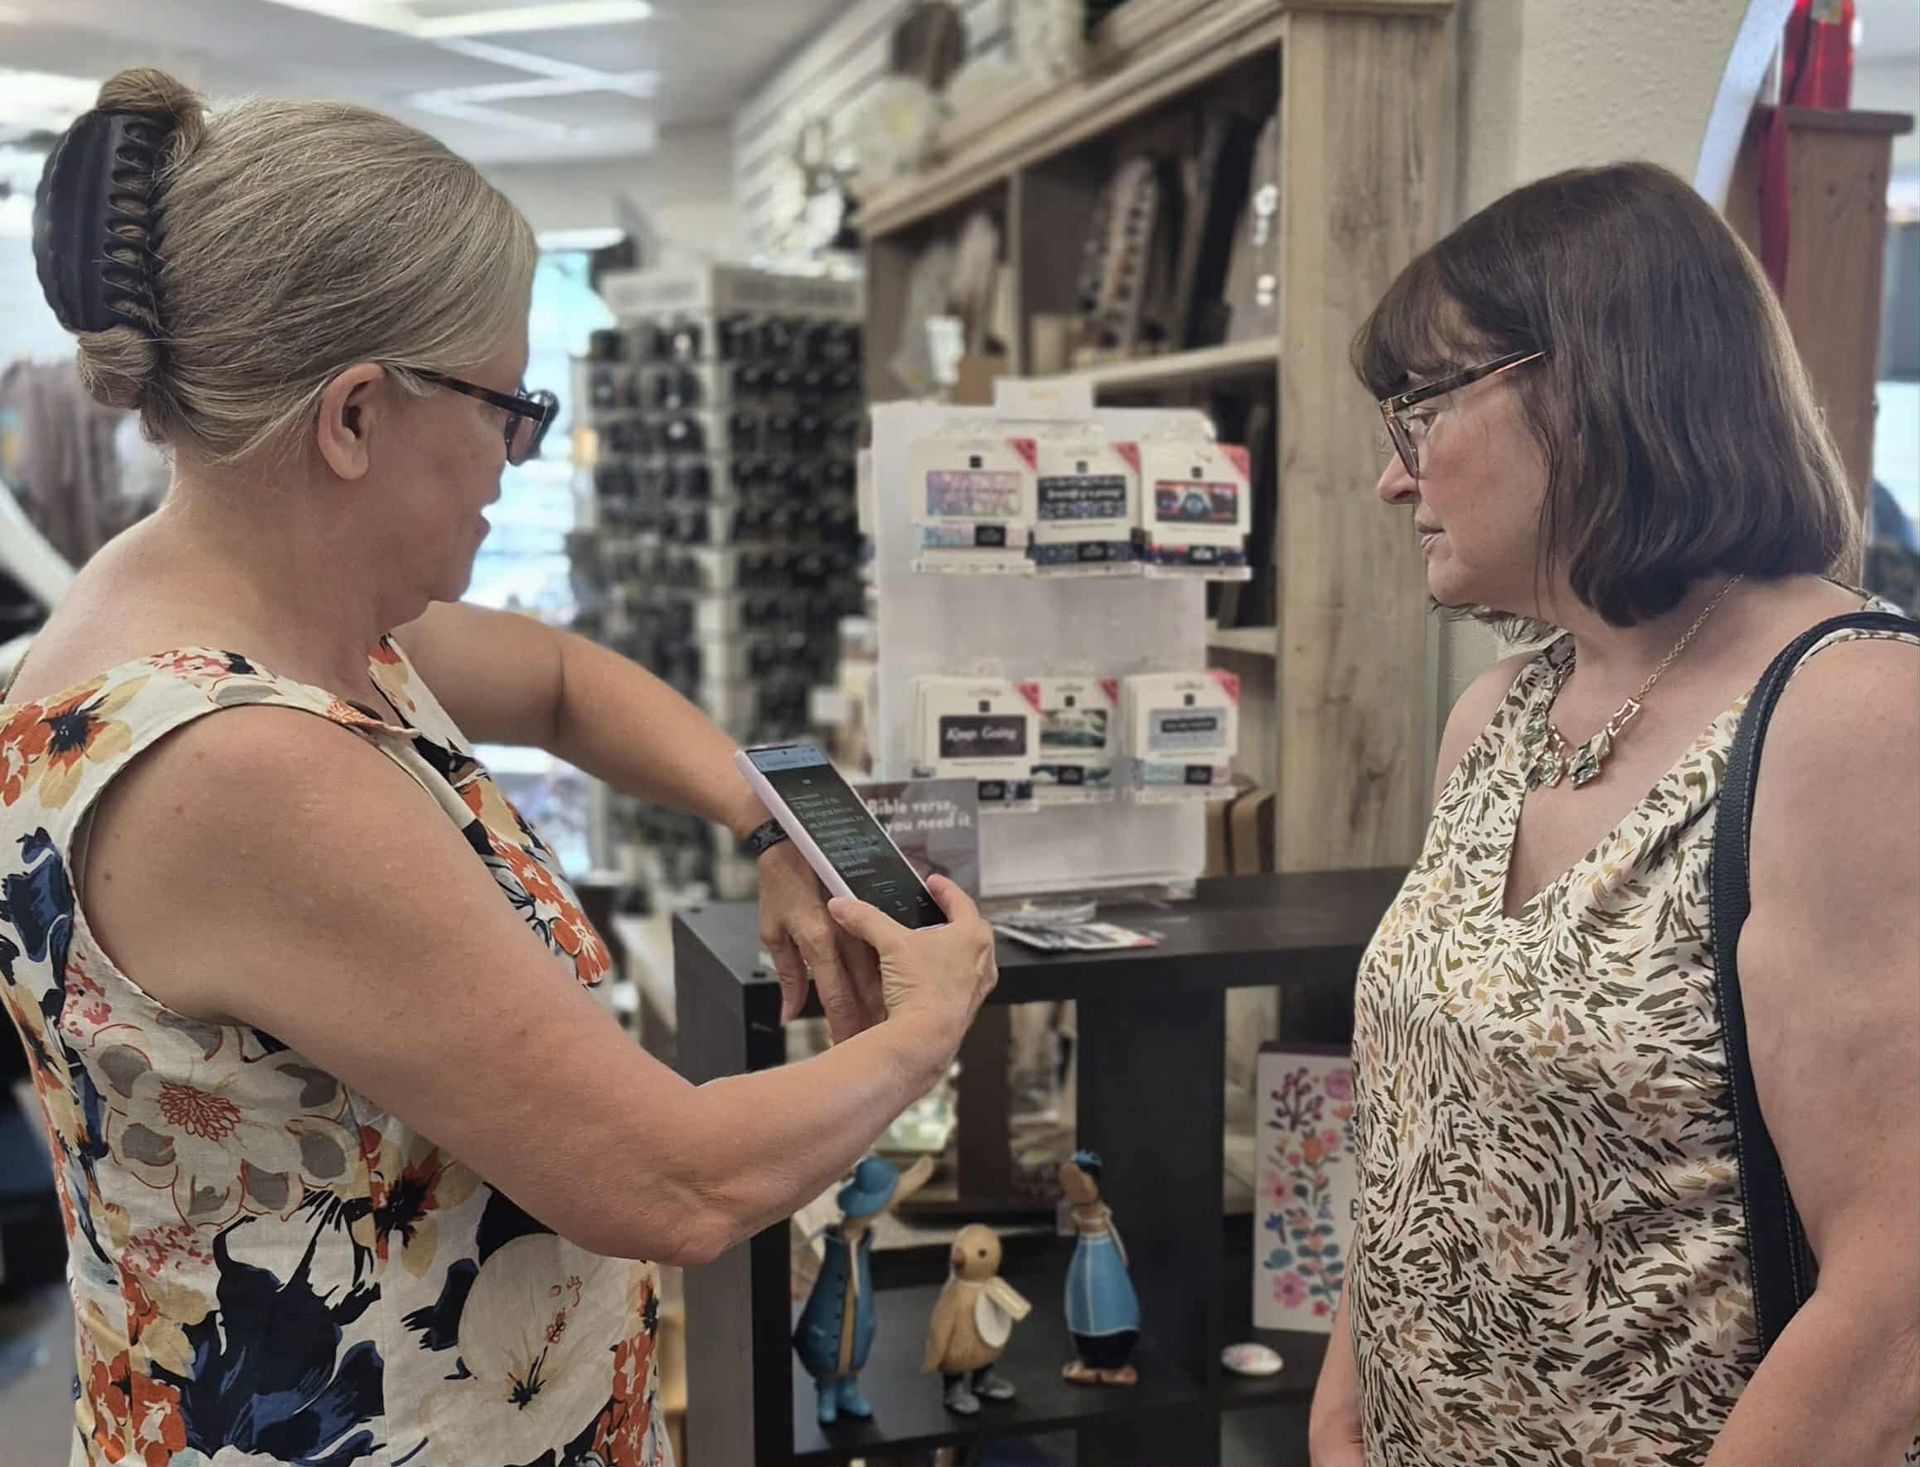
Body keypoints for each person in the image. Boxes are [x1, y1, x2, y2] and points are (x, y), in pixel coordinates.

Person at [0, 69, 995, 1466]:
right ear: (353, 418)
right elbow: (673, 1180)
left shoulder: (240, 614)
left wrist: (768, 824)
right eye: (506, 408)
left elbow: (560, 677)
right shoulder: (242, 766)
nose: (516, 463)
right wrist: (926, 1025)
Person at [1305, 160, 1920, 1466]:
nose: (1393, 481)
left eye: (1419, 413)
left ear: (1590, 381)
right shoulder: (1500, 715)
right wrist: (1349, 1384)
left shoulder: (1852, 717)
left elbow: (1898, 1295)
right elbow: (1434, 1115)